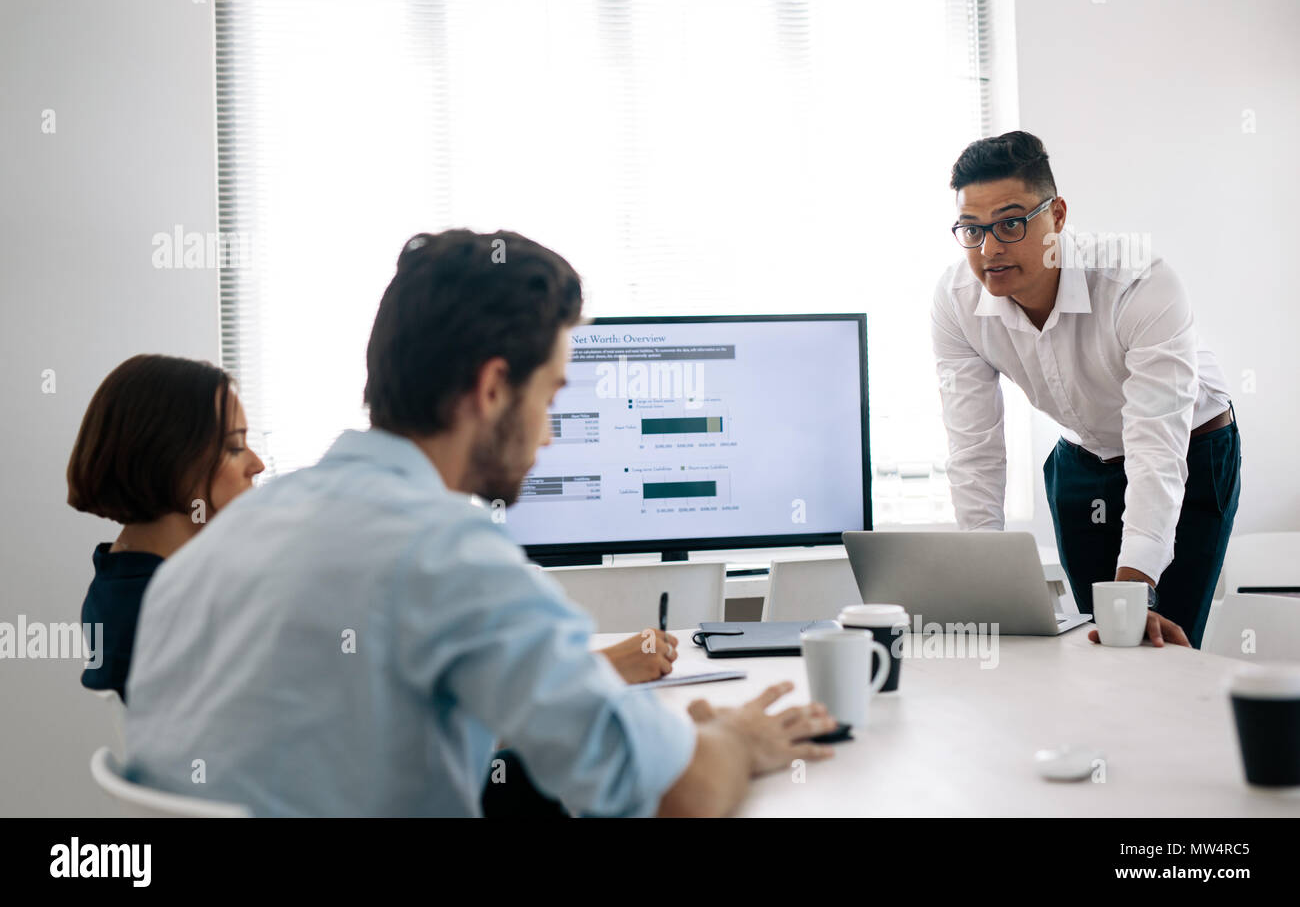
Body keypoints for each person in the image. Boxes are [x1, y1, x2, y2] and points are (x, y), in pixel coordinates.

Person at [124, 230, 836, 816]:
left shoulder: (207, 553)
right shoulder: (446, 551)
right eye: (550, 394)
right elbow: (679, 794)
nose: (550, 435)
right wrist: (739, 741)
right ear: (493, 388)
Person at [932, 131, 1240, 649]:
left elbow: (1155, 446)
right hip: (1082, 455)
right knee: (1095, 640)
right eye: (972, 229)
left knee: (1158, 642)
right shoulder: (955, 301)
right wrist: (979, 578)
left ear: (1057, 215)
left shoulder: (1138, 281)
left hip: (1190, 447)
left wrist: (1136, 584)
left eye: (1010, 223)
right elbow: (974, 449)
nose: (990, 249)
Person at [66, 354, 265, 700]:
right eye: (234, 447)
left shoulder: (122, 581)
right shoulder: (167, 609)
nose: (257, 464)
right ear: (172, 460)